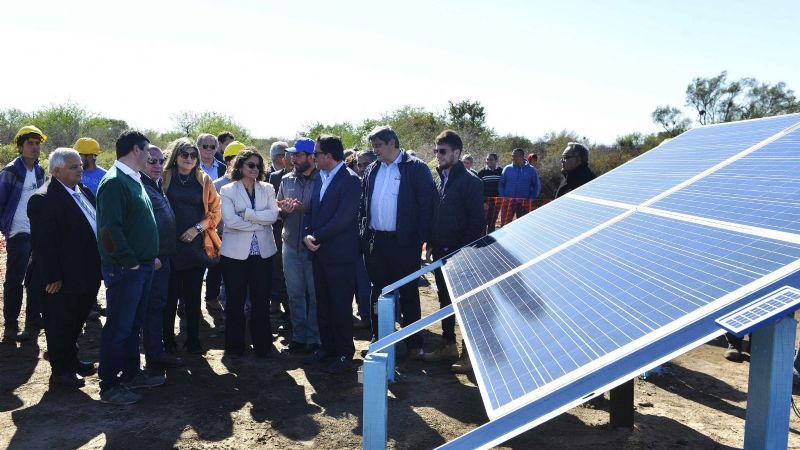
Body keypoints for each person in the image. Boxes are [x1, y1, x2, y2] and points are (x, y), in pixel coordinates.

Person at [96, 129, 163, 405]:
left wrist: (148, 257)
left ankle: (132, 374)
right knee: (119, 327)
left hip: (142, 267)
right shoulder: (114, 182)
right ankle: (110, 385)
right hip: (126, 270)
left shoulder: (132, 179)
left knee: (133, 325)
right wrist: (131, 262)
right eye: (147, 151)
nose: (150, 156)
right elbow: (109, 231)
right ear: (136, 150)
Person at [359, 125, 436, 358]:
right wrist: (364, 234)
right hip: (376, 242)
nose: (375, 150)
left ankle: (414, 344)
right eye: (374, 146)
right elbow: (363, 205)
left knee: (409, 292)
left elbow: (427, 206)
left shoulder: (416, 169)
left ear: (392, 142)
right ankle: (379, 339)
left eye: (379, 145)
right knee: (378, 292)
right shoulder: (372, 169)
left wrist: (421, 239)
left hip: (404, 243)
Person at [27, 148, 101, 386]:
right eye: (74, 166)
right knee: (60, 324)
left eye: (80, 164)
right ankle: (61, 372)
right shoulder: (44, 198)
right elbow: (43, 243)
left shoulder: (84, 191)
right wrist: (52, 277)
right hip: (61, 278)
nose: (81, 168)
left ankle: (72, 361)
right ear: (57, 171)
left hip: (86, 273)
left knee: (76, 321)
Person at [421, 131, 485, 373]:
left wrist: (459, 251)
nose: (438, 155)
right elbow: (437, 215)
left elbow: (476, 222)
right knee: (445, 301)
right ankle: (448, 344)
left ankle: (469, 355)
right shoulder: (440, 179)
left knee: (466, 305)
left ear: (457, 153)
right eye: (436, 151)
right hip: (441, 253)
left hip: (461, 256)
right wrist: (432, 243)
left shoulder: (471, 182)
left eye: (443, 151)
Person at [303, 135, 361, 373]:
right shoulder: (319, 178)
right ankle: (328, 348)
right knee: (323, 303)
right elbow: (311, 211)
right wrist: (307, 233)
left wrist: (316, 237)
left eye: (316, 154)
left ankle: (345, 352)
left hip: (340, 255)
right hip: (319, 252)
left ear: (328, 155)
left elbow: (344, 218)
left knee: (340, 305)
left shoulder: (351, 180)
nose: (313, 158)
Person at [161, 137, 221, 354]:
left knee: (193, 298)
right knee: (169, 298)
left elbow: (215, 212)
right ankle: (167, 340)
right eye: (184, 154)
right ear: (175, 157)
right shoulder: (164, 178)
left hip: (195, 246)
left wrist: (197, 228)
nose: (189, 158)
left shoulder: (204, 180)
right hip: (169, 247)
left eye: (193, 155)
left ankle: (193, 340)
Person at [219, 148, 279, 357]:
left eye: (258, 166)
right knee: (235, 301)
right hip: (234, 255)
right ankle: (235, 347)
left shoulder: (268, 188)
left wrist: (248, 214)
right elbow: (229, 220)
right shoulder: (227, 190)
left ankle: (263, 345)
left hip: (263, 253)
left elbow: (273, 216)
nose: (255, 169)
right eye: (250, 165)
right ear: (240, 166)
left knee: (261, 300)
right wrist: (258, 222)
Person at [1, 126, 47, 342]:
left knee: (35, 278)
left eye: (37, 143)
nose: (35, 147)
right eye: (30, 143)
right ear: (20, 147)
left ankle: (33, 317)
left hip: (36, 232)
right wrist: (6, 229)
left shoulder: (39, 171)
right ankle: (11, 325)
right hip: (18, 232)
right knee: (15, 280)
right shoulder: (11, 172)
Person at [140, 145, 183, 369]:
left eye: (160, 161)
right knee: (151, 307)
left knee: (157, 305)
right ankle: (153, 356)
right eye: (151, 161)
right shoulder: (139, 186)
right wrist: (152, 254)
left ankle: (156, 353)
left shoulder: (156, 184)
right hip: (153, 259)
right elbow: (139, 226)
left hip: (163, 257)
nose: (157, 165)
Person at [277, 138, 320, 355]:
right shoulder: (286, 179)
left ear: (312, 156)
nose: (293, 158)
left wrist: (305, 210)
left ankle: (314, 339)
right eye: (292, 154)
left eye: (298, 155)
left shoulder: (322, 179)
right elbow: (280, 212)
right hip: (290, 244)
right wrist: (284, 210)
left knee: (314, 295)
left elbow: (325, 213)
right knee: (294, 295)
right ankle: (299, 337)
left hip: (314, 247)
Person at [207, 140, 247, 315]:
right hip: (223, 239)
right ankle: (227, 317)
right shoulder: (216, 185)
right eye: (235, 158)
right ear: (229, 160)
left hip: (247, 239)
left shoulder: (252, 182)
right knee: (224, 279)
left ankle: (246, 315)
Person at [267, 141, 291, 332]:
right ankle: (278, 304)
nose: (288, 159)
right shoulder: (274, 177)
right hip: (276, 230)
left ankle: (291, 313)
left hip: (297, 233)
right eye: (284, 155)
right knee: (278, 271)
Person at [498, 148, 540, 225]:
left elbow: (536, 186)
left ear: (521, 156)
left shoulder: (531, 170)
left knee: (523, 226)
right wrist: (503, 197)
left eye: (515, 156)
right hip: (508, 203)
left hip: (524, 204)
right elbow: (501, 184)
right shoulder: (507, 169)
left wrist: (530, 200)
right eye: (512, 155)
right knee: (504, 226)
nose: (512, 158)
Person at [477, 153, 502, 233]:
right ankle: (483, 241)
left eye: (491, 159)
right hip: (485, 202)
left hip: (497, 202)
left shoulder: (501, 171)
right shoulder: (481, 172)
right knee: (483, 223)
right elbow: (478, 189)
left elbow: (503, 186)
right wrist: (483, 201)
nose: (488, 161)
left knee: (492, 222)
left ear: (496, 160)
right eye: (487, 159)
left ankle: (490, 242)